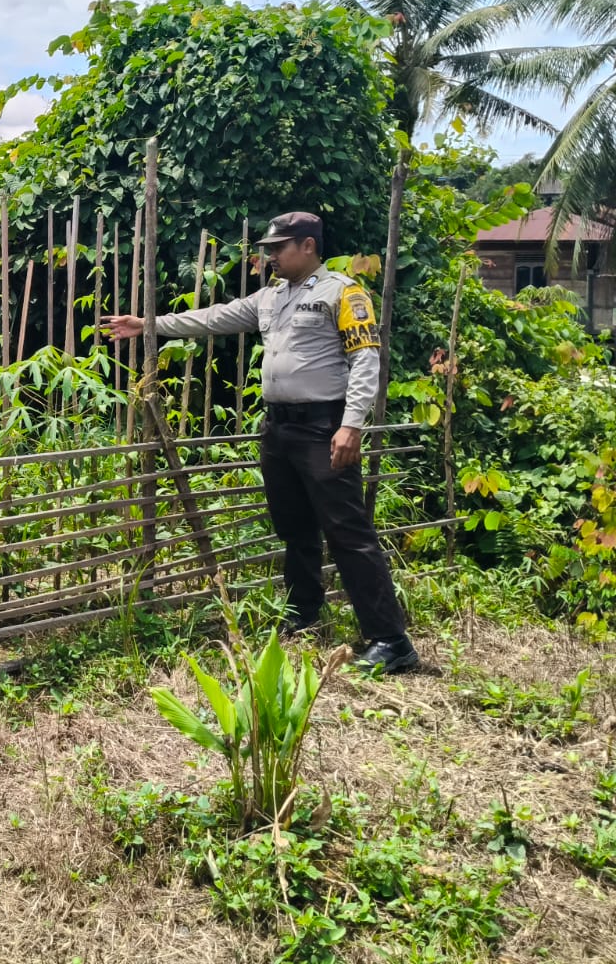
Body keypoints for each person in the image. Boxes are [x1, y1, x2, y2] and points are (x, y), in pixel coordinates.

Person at [102, 211, 419, 674]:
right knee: (294, 528)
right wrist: (148, 323)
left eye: (279, 247)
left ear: (308, 246)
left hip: (323, 426)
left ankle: (391, 639)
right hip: (280, 429)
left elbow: (366, 360)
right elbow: (214, 318)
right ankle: (303, 614)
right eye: (269, 248)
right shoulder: (270, 297)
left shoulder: (343, 293)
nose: (270, 255)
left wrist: (351, 425)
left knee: (348, 532)